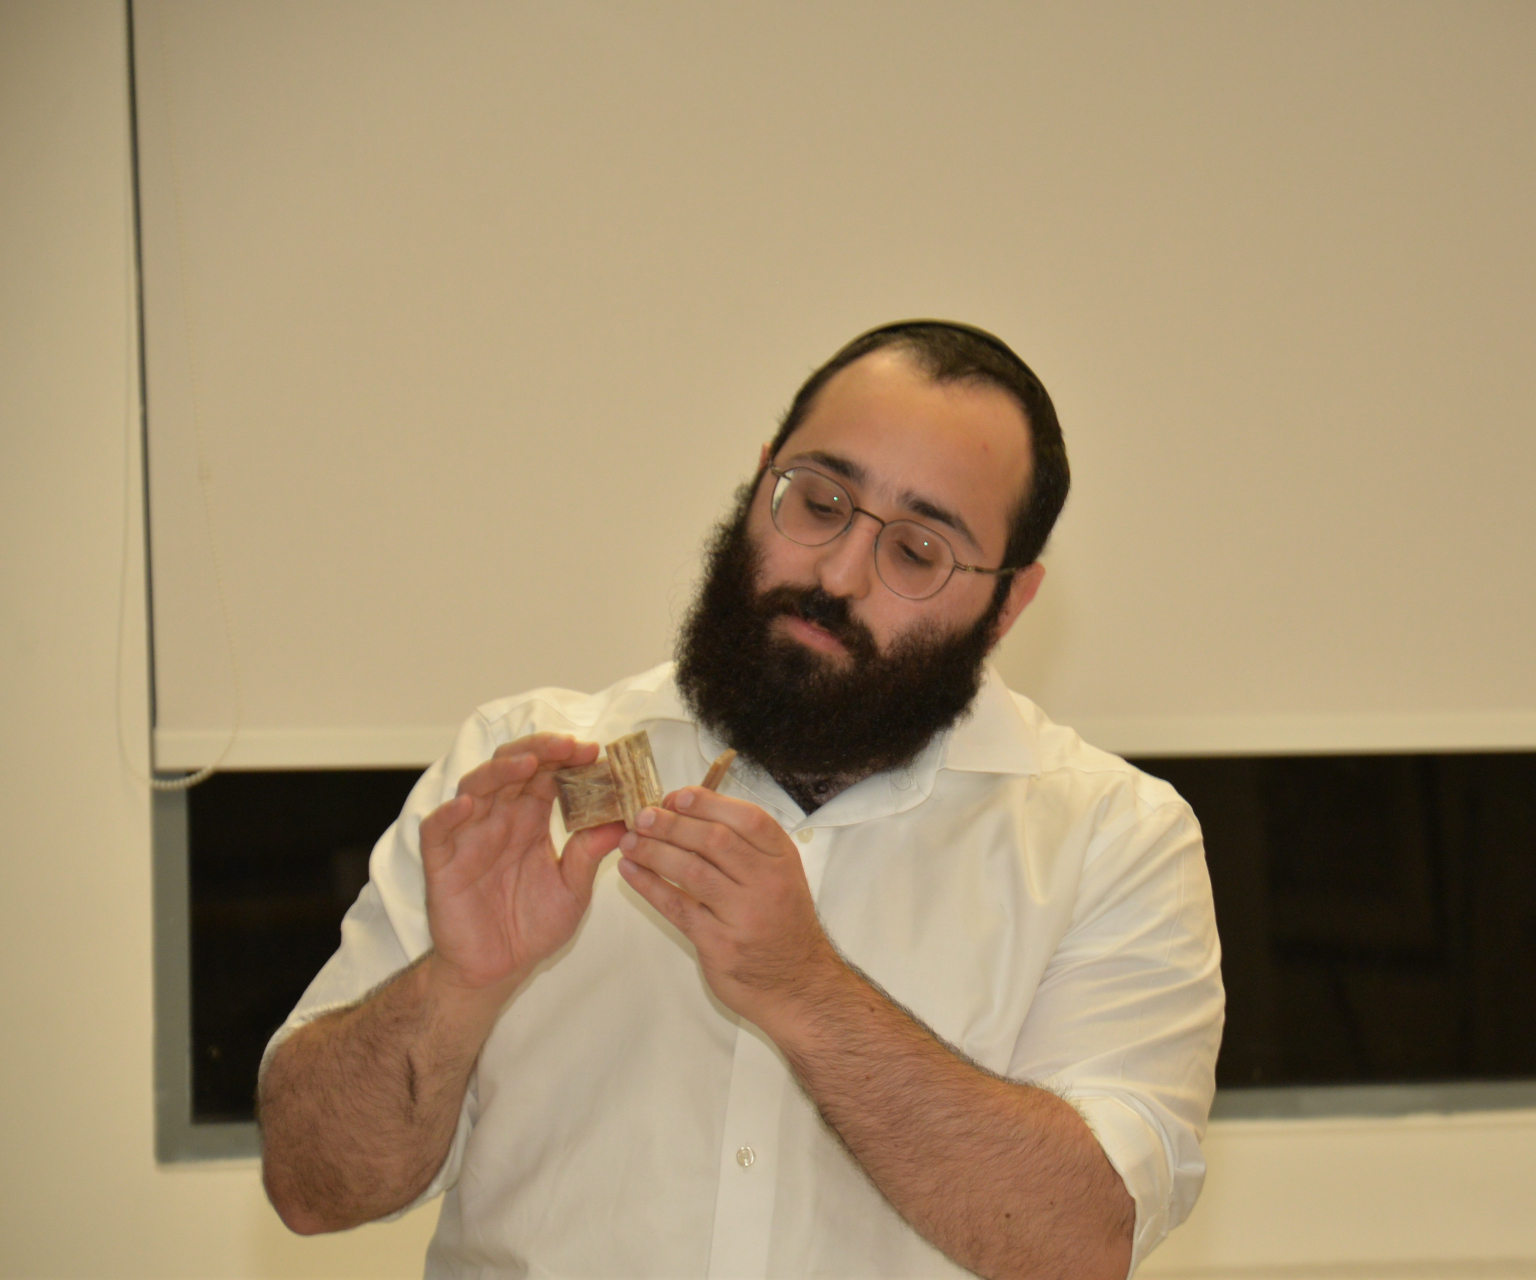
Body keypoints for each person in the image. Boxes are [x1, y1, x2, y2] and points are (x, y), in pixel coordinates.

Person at [257, 321, 1224, 1280]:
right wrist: (458, 986)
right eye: (818, 501)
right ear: (760, 479)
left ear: (1007, 604)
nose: (837, 573)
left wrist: (804, 988)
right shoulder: (529, 775)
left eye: (919, 553)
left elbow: (1078, 1242)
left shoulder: (1114, 840)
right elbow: (312, 1187)